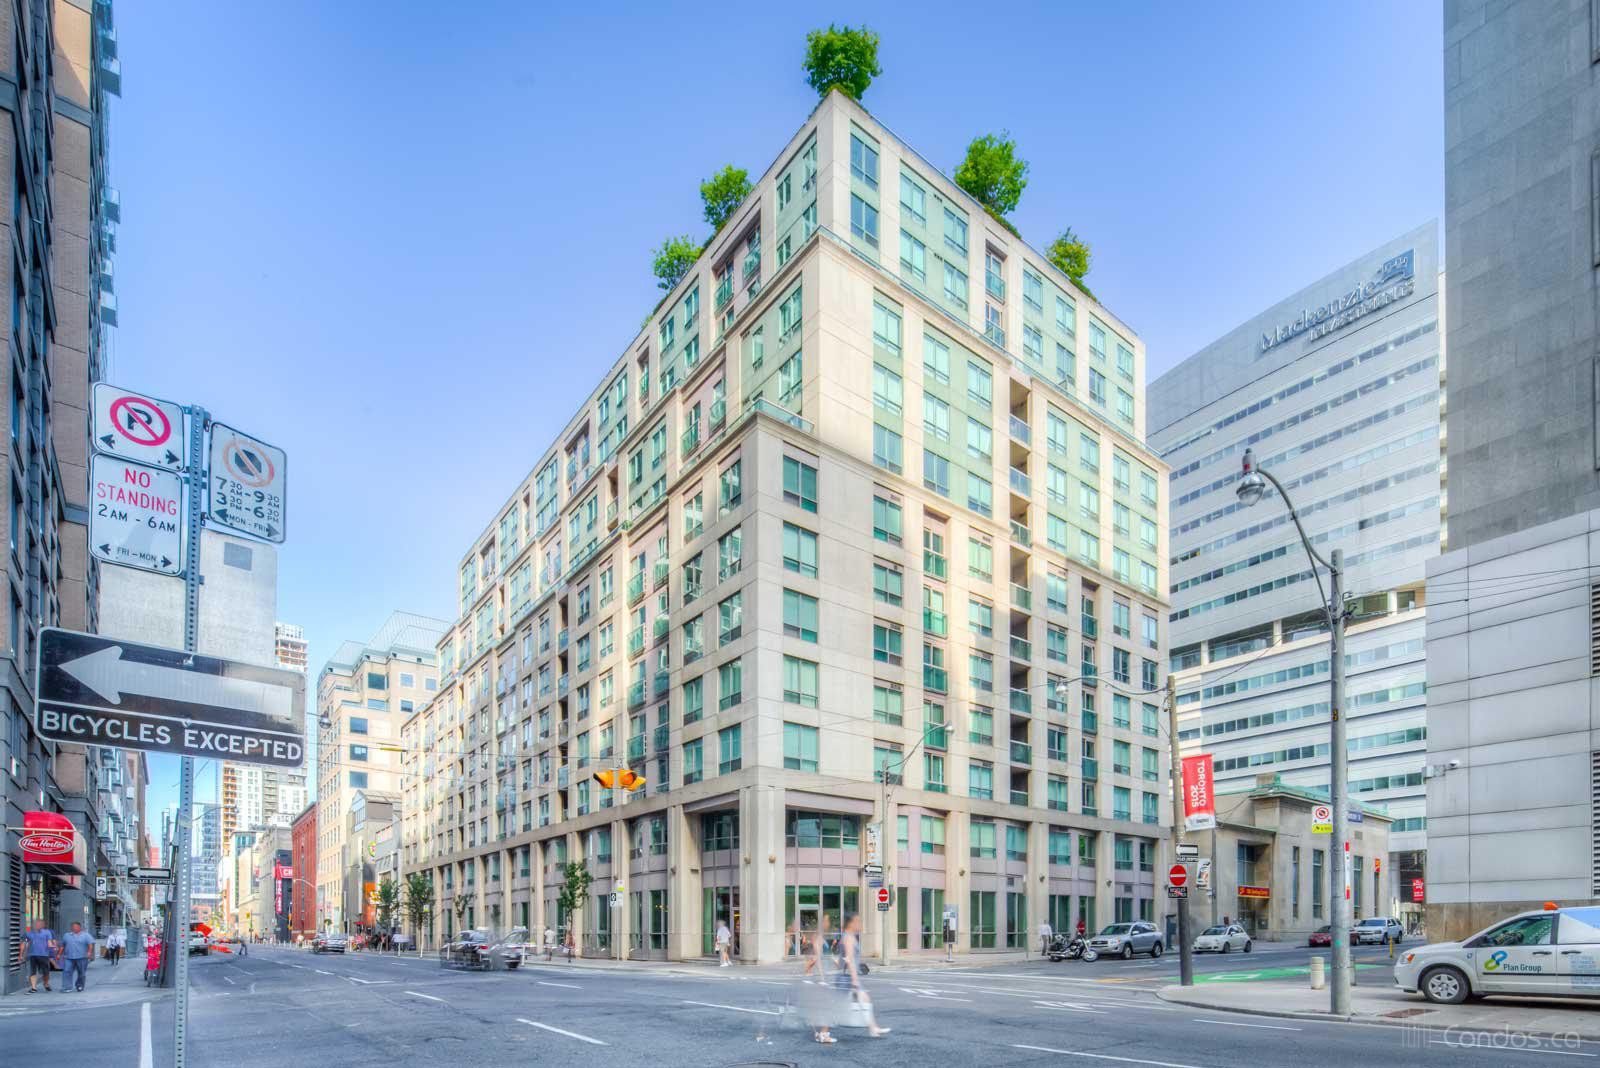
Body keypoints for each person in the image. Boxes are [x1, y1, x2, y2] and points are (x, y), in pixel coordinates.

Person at [838, 913, 889, 1038]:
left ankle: (873, 1028)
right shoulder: (848, 937)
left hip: (848, 976)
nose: (860, 924)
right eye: (857, 921)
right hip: (848, 978)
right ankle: (823, 1030)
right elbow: (849, 958)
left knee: (864, 1000)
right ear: (851, 923)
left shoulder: (850, 936)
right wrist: (854, 979)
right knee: (837, 1006)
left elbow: (845, 959)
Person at [19, 919, 55, 993]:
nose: (38, 925)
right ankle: (33, 987)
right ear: (33, 925)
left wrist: (53, 947)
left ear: (43, 925)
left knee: (46, 972)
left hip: (44, 955)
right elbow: (23, 944)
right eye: (36, 924)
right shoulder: (28, 933)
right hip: (32, 955)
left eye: (40, 924)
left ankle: (46, 984)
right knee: (32, 972)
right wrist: (21, 955)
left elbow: (49, 943)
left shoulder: (47, 933)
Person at [57, 921, 94, 993]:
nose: (74, 928)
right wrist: (59, 954)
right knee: (67, 971)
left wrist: (89, 952)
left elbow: (90, 944)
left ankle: (79, 985)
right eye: (73, 926)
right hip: (69, 957)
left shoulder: (86, 935)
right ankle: (67, 987)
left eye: (76, 926)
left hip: (82, 957)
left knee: (81, 973)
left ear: (80, 927)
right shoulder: (66, 935)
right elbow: (62, 946)